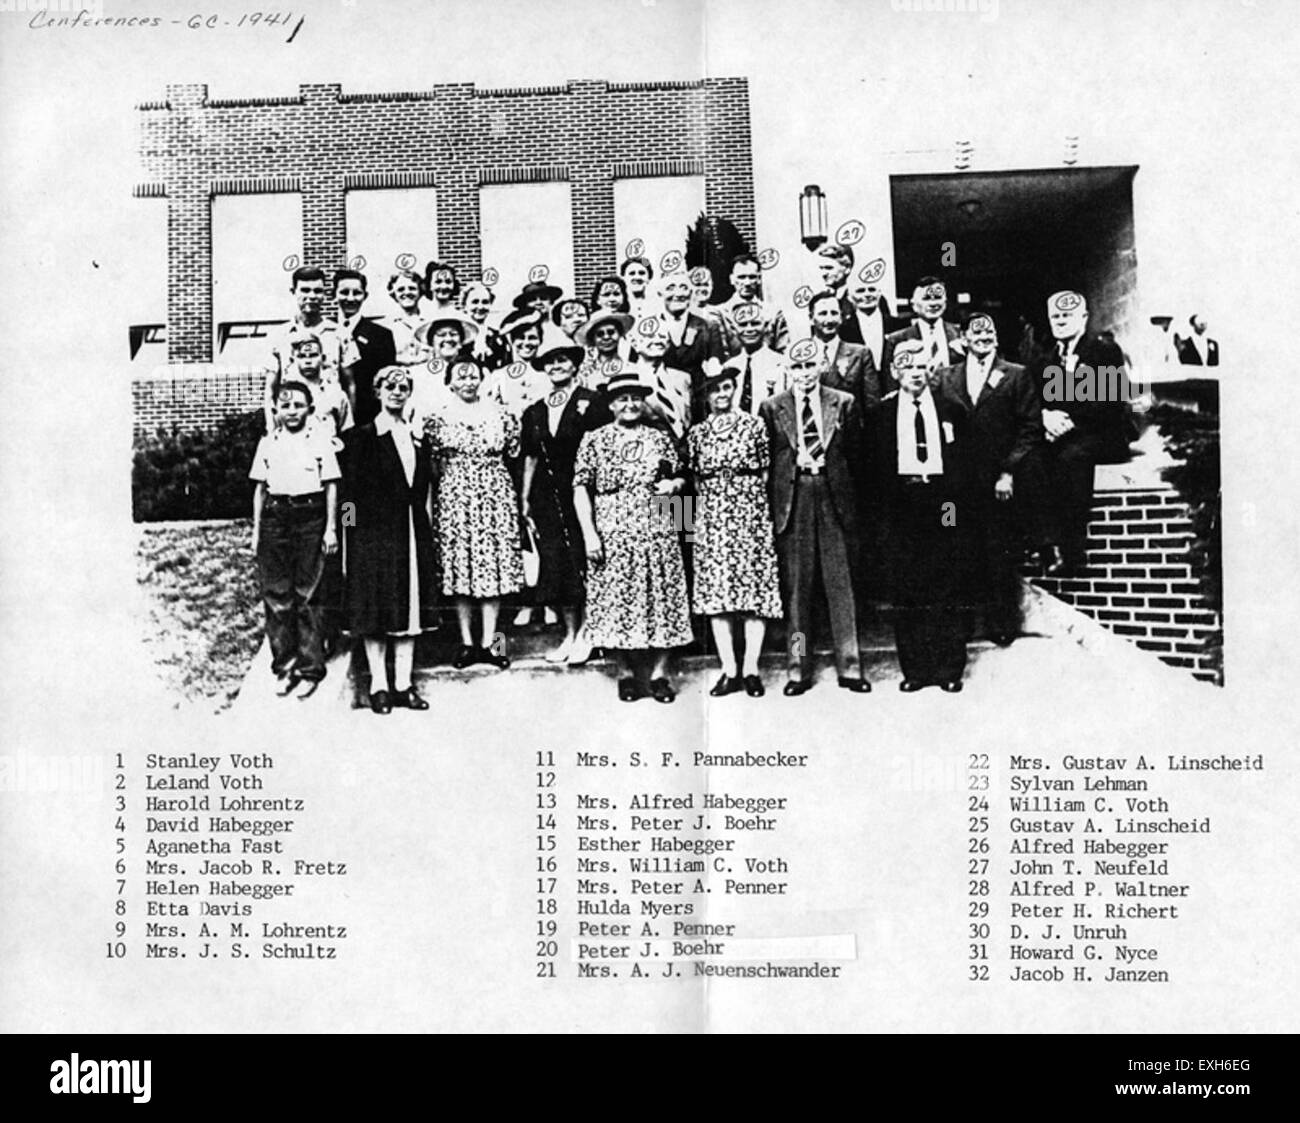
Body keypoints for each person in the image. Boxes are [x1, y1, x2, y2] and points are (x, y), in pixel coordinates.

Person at [573, 372, 693, 702]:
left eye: (635, 398)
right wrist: (590, 535)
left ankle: (659, 674)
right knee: (616, 597)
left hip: (658, 523)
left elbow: (679, 475)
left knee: (664, 594)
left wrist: (675, 488)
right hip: (612, 527)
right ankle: (625, 672)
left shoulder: (659, 437)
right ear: (611, 405)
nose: (630, 404)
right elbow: (581, 487)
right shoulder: (594, 439)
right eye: (622, 399)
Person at [760, 339, 870, 695]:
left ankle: (850, 667)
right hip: (795, 496)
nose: (804, 373)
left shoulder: (844, 401)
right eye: (797, 367)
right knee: (797, 590)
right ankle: (798, 668)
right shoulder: (772, 407)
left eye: (810, 366)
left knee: (841, 585)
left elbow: (856, 455)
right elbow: (770, 459)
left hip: (832, 493)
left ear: (821, 365)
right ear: (787, 369)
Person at [937, 311, 1046, 646]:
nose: (983, 338)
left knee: (998, 552)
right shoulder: (945, 377)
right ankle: (966, 624)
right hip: (958, 485)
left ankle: (1001, 624)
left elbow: (1030, 428)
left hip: (997, 482)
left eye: (989, 334)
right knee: (961, 551)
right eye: (976, 333)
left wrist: (1008, 471)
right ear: (965, 339)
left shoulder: (1016, 375)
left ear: (996, 338)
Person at [873, 341, 972, 693]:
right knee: (907, 583)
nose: (915, 374)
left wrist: (955, 506)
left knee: (945, 578)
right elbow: (875, 468)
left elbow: (964, 461)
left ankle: (948, 668)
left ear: (930, 370)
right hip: (904, 502)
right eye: (908, 367)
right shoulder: (882, 414)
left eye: (921, 367)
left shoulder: (950, 409)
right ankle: (915, 669)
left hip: (943, 501)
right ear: (896, 372)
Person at [339, 366, 438, 714]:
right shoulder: (360, 437)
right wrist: (349, 534)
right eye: (390, 386)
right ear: (378, 391)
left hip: (411, 530)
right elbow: (348, 496)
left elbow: (423, 489)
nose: (397, 392)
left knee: (409, 608)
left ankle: (403, 685)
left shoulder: (417, 438)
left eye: (404, 387)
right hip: (373, 535)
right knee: (375, 608)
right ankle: (379, 685)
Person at [687, 369, 783, 698]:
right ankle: (729, 669)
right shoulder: (697, 433)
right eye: (714, 390)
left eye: (727, 387)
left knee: (754, 593)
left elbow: (766, 470)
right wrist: (708, 514)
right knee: (719, 596)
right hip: (713, 517)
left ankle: (752, 668)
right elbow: (696, 480)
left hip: (750, 512)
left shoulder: (754, 425)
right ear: (705, 396)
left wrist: (752, 506)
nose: (722, 395)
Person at [425, 358, 525, 670]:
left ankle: (492, 645)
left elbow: (513, 453)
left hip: (494, 493)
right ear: (450, 382)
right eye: (461, 376)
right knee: (461, 568)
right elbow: (432, 464)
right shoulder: (436, 418)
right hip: (455, 495)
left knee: (493, 569)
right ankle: (467, 644)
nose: (468, 382)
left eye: (473, 376)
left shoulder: (500, 413)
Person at [1028, 289, 1135, 572]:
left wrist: (1069, 422)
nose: (1061, 321)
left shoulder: (1104, 350)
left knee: (1070, 458)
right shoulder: (1044, 357)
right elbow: (1035, 399)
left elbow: (1112, 401)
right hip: (1060, 434)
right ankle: (1044, 544)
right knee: (1030, 459)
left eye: (1067, 315)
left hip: (1102, 433)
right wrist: (1046, 416)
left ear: (1084, 318)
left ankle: (1073, 550)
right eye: (1056, 316)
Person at [249, 380, 340, 699]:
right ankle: (285, 666)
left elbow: (331, 485)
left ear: (310, 409)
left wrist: (331, 528)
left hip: (310, 516)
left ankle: (310, 668)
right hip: (276, 516)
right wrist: (257, 531)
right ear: (276, 409)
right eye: (285, 406)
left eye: (298, 405)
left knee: (308, 593)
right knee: (277, 594)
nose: (291, 411)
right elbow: (259, 489)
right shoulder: (268, 442)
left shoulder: (319, 441)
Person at [521, 343, 611, 664]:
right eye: (550, 362)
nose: (556, 366)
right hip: (548, 497)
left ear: (574, 366)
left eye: (562, 360)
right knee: (557, 563)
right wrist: (525, 500)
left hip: (585, 491)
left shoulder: (594, 401)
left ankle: (589, 632)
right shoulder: (535, 410)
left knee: (584, 559)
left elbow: (605, 447)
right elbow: (531, 456)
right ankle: (570, 633)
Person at [265, 266, 343, 424]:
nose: (312, 296)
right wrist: (272, 429)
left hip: (328, 423)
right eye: (305, 290)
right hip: (292, 422)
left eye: (317, 291)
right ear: (293, 291)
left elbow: (350, 386)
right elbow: (270, 389)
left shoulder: (339, 334)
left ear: (324, 294)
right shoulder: (278, 336)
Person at [643, 272, 725, 418]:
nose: (678, 293)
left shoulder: (708, 327)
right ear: (660, 293)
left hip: (698, 405)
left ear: (691, 292)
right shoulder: (649, 328)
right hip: (661, 407)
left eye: (683, 287)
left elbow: (716, 369)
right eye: (671, 288)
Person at [334, 268, 398, 427]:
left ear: (365, 296)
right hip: (329, 416)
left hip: (367, 421)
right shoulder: (326, 330)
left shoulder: (381, 335)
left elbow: (386, 382)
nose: (350, 298)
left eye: (356, 293)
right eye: (344, 292)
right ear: (333, 294)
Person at [264, 330, 351, 437]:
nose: (308, 361)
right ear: (293, 359)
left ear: (322, 358)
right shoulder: (284, 397)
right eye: (302, 356)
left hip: (328, 450)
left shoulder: (335, 394)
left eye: (313, 355)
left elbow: (347, 433)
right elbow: (274, 432)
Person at [808, 290, 878, 417]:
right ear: (811, 319)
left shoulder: (860, 354)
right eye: (823, 314)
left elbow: (872, 405)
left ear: (841, 317)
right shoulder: (801, 355)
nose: (829, 320)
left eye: (834, 313)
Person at [718, 302, 789, 414]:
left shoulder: (781, 364)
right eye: (743, 324)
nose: (749, 329)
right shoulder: (728, 367)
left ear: (766, 326)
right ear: (734, 329)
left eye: (755, 323)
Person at [886, 276, 963, 378]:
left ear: (945, 302)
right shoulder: (897, 339)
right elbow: (890, 379)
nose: (933, 304)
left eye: (937, 298)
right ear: (914, 305)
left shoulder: (960, 334)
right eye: (926, 299)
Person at [714, 252, 789, 355]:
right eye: (741, 277)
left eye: (752, 277)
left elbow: (783, 351)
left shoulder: (773, 313)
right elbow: (720, 354)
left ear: (758, 279)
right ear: (732, 279)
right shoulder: (721, 314)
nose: (747, 283)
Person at [631, 320, 693, 442]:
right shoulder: (628, 378)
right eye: (650, 336)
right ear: (634, 343)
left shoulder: (683, 378)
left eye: (663, 336)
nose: (658, 341)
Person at [839, 267, 898, 385]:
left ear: (879, 293)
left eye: (871, 289)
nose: (867, 295)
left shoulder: (898, 325)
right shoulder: (842, 329)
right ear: (850, 297)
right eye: (860, 291)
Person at [576, 308, 633, 391]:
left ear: (619, 334)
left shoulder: (629, 366)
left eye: (611, 332)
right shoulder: (585, 371)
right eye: (600, 334)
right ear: (593, 339)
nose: (606, 337)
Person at [387, 268, 432, 368]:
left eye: (412, 288)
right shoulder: (386, 326)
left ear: (420, 291)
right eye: (400, 289)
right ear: (394, 294)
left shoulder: (431, 322)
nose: (407, 293)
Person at [463, 281, 512, 371]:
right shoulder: (458, 336)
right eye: (475, 302)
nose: (480, 307)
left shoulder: (498, 337)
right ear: (465, 306)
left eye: (485, 302)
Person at [813, 243, 855, 321]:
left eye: (829, 268)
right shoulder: (819, 301)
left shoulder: (855, 300)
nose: (824, 274)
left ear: (847, 268)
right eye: (821, 268)